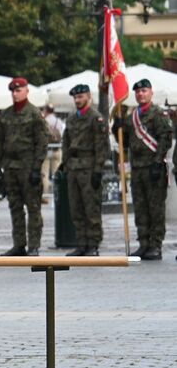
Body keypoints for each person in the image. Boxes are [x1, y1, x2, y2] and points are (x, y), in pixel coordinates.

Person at [112, 78, 172, 260]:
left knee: (155, 208)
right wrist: (117, 129)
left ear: (151, 93)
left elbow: (165, 139)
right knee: (140, 207)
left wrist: (157, 161)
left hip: (153, 167)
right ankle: (143, 243)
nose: (140, 94)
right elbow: (126, 141)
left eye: (144, 91)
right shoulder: (132, 117)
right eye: (137, 92)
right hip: (137, 169)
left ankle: (155, 245)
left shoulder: (158, 114)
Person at [0, 77, 47, 256]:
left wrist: (36, 167)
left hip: (28, 165)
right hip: (10, 167)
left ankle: (34, 245)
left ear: (26, 91)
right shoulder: (6, 114)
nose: (15, 94)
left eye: (18, 90)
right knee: (15, 207)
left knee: (33, 207)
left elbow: (41, 142)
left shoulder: (34, 114)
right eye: (13, 91)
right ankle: (19, 244)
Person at [57, 85, 107, 257]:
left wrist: (98, 169)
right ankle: (82, 243)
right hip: (73, 168)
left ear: (88, 96)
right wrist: (64, 163)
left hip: (89, 166)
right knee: (76, 208)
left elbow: (101, 146)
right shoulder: (71, 118)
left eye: (81, 97)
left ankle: (93, 244)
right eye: (75, 98)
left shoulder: (96, 118)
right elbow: (66, 141)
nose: (78, 100)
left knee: (91, 208)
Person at [41, 104, 65, 199]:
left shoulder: (44, 121)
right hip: (57, 149)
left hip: (46, 150)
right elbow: (63, 133)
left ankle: (45, 196)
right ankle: (57, 195)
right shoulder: (59, 121)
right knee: (57, 174)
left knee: (44, 174)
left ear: (46, 111)